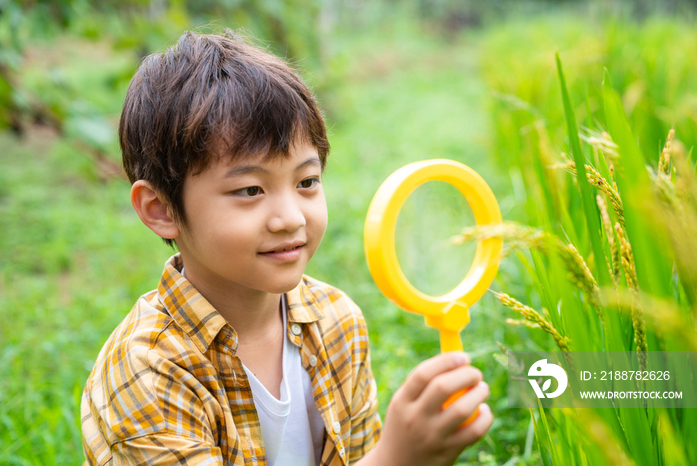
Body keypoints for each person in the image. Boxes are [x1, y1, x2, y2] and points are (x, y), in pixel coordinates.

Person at [80, 29, 493, 466]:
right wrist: (396, 459)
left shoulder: (337, 322)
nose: (292, 217)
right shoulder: (148, 370)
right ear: (161, 208)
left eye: (307, 182)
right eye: (251, 190)